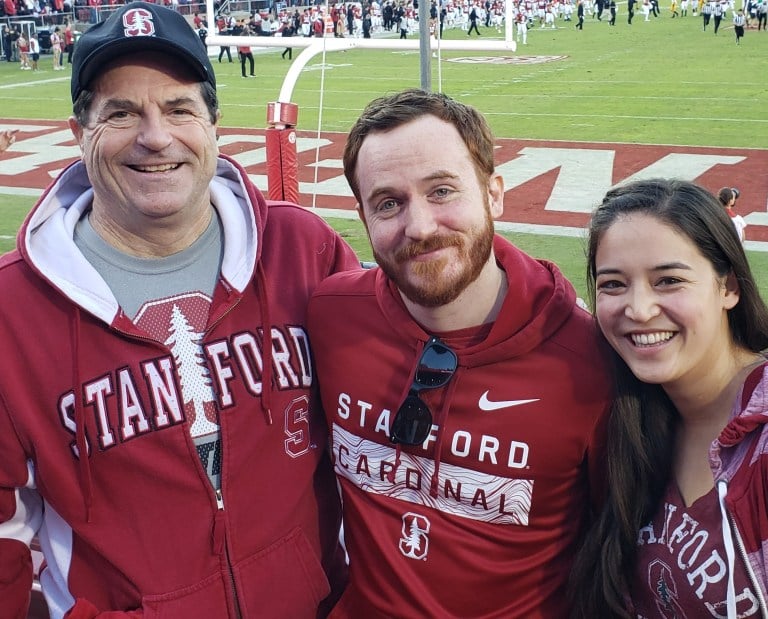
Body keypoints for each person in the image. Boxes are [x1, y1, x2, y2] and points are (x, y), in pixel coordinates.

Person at [0, 3, 356, 617]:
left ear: (213, 123)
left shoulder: (304, 249)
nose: (156, 136)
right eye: (121, 113)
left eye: (179, 108)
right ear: (80, 133)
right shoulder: (12, 311)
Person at [306, 89, 611, 617]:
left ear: (494, 194)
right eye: (388, 203)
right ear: (361, 215)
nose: (420, 227)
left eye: (442, 190)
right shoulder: (329, 316)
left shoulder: (590, 364)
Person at [571, 179, 768, 618]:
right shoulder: (626, 420)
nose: (639, 309)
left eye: (669, 280)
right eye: (614, 285)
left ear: (729, 288)